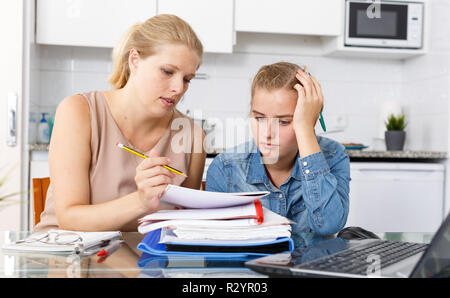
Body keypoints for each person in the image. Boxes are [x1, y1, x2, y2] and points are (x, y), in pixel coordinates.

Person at [35, 14, 206, 232]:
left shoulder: (192, 137)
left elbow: (184, 229)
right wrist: (141, 201)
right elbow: (69, 218)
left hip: (145, 263)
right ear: (134, 60)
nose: (178, 88)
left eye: (187, 79)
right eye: (167, 71)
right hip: (67, 258)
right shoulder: (78, 112)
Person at [205, 62, 350, 247]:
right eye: (259, 118)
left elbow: (328, 226)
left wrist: (305, 130)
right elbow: (211, 244)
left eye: (283, 122)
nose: (267, 133)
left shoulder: (333, 155)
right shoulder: (225, 168)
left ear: (308, 119)